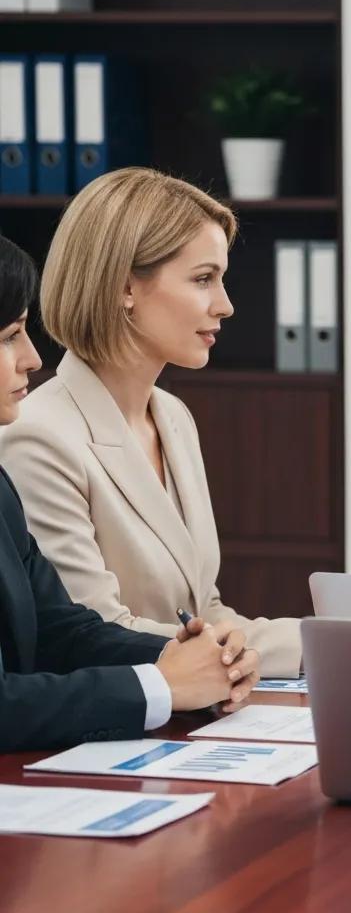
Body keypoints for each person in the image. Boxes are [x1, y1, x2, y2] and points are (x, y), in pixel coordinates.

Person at [0, 168, 301, 678]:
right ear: (125, 288)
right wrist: (309, 641)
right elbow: (92, 631)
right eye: (203, 279)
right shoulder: (36, 434)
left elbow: (203, 611)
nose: (224, 305)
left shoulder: (173, 417)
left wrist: (305, 646)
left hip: (186, 716)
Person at [0, 235, 260, 752]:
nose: (32, 358)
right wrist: (164, 686)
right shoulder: (36, 437)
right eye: (9, 336)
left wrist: (185, 658)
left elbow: (61, 630)